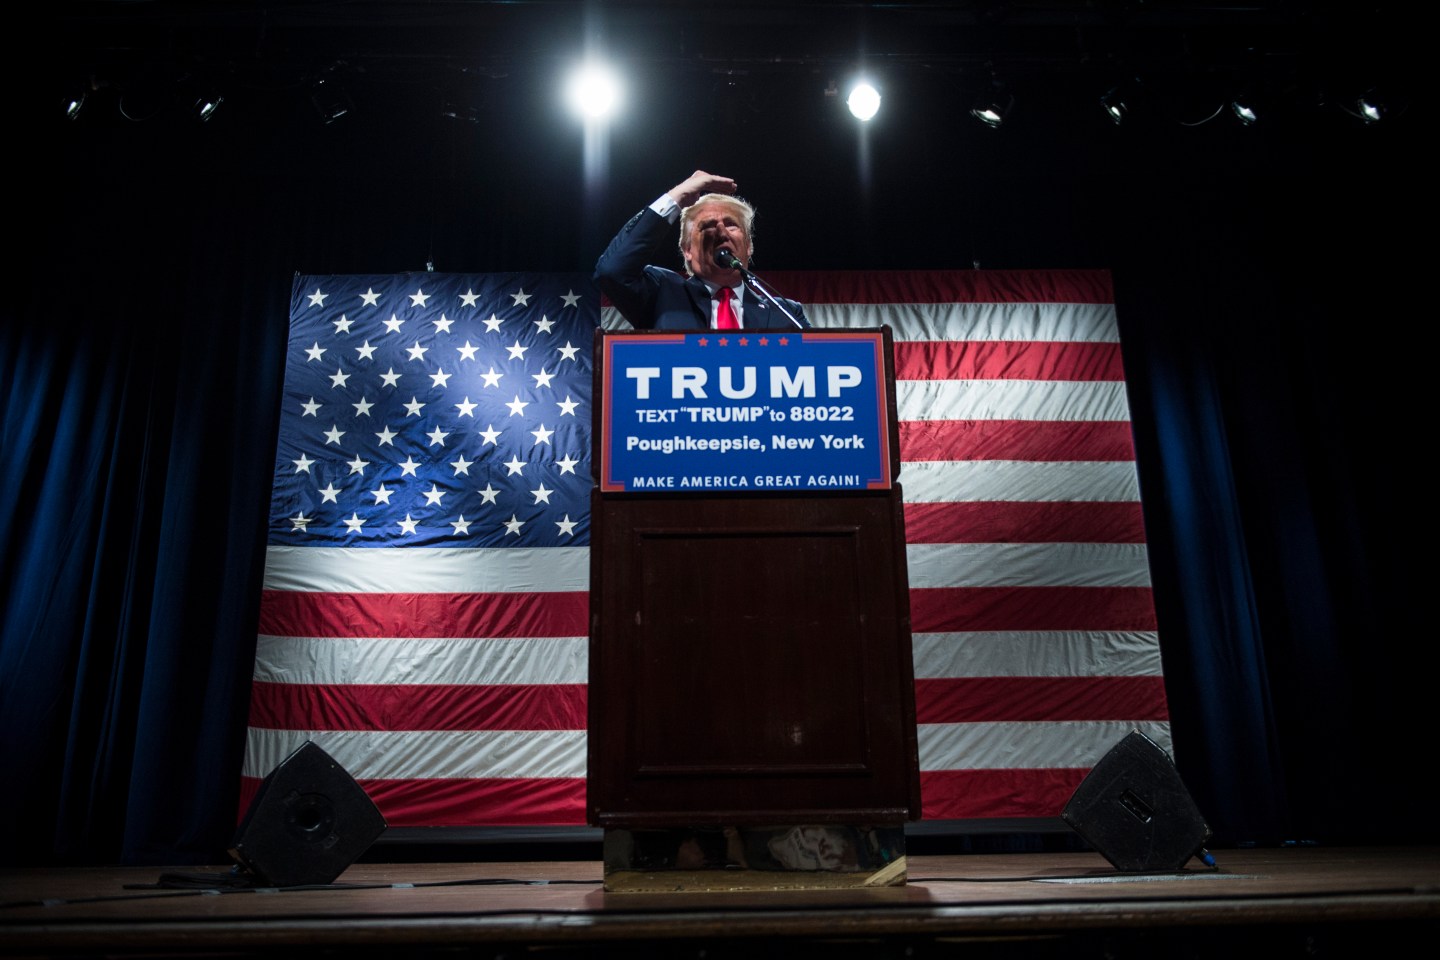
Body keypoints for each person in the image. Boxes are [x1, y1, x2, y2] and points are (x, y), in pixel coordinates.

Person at [595, 170, 810, 331]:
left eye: (731, 224)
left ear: (749, 246)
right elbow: (612, 271)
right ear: (687, 249)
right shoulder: (661, 293)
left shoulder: (786, 313)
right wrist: (677, 196)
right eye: (707, 226)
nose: (721, 231)